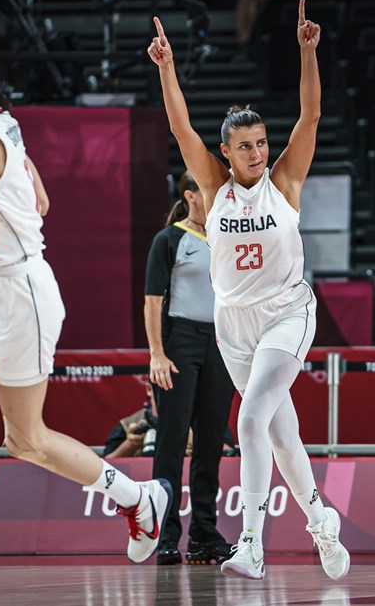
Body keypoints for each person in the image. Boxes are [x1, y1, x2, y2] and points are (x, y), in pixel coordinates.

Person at [0, 41, 171, 606]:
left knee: (24, 439)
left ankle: (137, 497)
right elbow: (40, 201)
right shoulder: (6, 123)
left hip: (21, 293)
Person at [148, 0, 349, 581]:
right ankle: (320, 521)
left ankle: (253, 541)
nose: (258, 153)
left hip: (287, 312)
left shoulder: (283, 180)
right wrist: (167, 68)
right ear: (227, 151)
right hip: (232, 323)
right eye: (246, 146)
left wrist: (309, 53)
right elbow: (180, 127)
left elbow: (309, 118)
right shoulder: (212, 188)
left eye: (262, 143)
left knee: (251, 419)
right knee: (280, 434)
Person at [144, 170, 237, 566]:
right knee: (170, 442)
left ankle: (204, 535)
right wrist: (157, 354)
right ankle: (165, 535)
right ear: (190, 195)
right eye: (207, 190)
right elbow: (151, 302)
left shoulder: (227, 237)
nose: (215, 196)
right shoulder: (169, 240)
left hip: (221, 343)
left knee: (211, 442)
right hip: (180, 342)